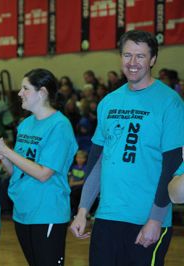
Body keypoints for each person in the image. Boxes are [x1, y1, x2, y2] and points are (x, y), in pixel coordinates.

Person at [70, 30, 184, 266]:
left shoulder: (170, 102)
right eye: (127, 55)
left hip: (146, 219)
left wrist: (155, 219)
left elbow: (172, 165)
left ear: (152, 60)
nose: (133, 63)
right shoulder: (108, 102)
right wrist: (83, 210)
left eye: (140, 56)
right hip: (107, 216)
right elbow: (97, 161)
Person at [0, 68, 78, 266]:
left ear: (42, 92)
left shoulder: (60, 126)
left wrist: (7, 151)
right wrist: (1, 156)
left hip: (47, 210)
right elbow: (18, 172)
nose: (20, 93)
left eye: (25, 88)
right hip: (23, 211)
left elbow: (43, 173)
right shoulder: (25, 124)